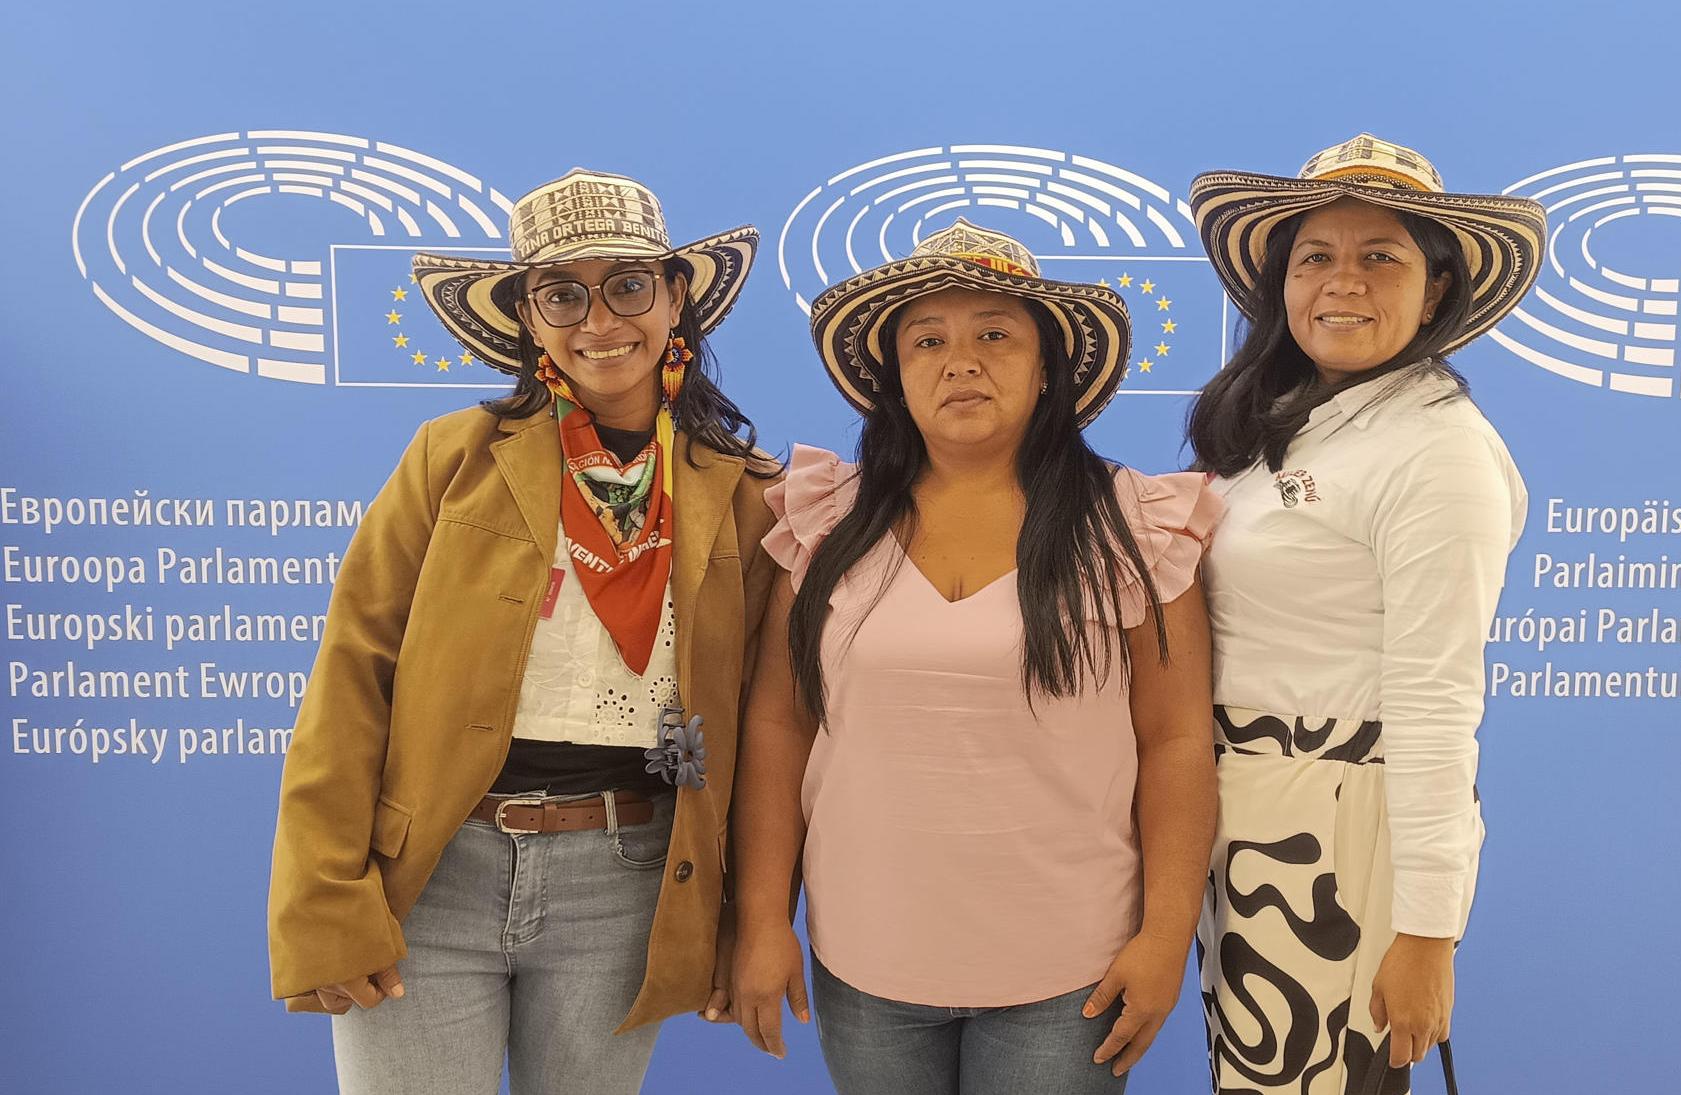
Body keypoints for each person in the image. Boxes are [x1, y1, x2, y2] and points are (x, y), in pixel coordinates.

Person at [266, 168, 781, 1094]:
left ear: (675, 300)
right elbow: (352, 675)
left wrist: (742, 913)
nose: (599, 320)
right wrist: (324, 899)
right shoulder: (449, 457)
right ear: (528, 318)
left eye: (627, 284)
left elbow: (765, 723)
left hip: (625, 880)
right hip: (430, 873)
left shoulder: (744, 487)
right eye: (561, 293)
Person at [728, 219, 1221, 1094]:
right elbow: (777, 723)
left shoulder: (1134, 526)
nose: (961, 360)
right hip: (867, 958)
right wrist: (764, 918)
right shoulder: (825, 523)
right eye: (928, 340)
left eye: (994, 332)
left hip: (1069, 967)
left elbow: (1176, 740)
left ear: (1045, 369)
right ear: (893, 379)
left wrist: (1165, 931)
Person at [1185, 134, 1545, 1094]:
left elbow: (1435, 699)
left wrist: (1428, 931)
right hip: (1254, 826)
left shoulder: (1439, 452)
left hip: (1333, 836)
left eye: (1379, 255)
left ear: (1434, 290)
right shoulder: (1299, 420)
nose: (1342, 281)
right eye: (1317, 256)